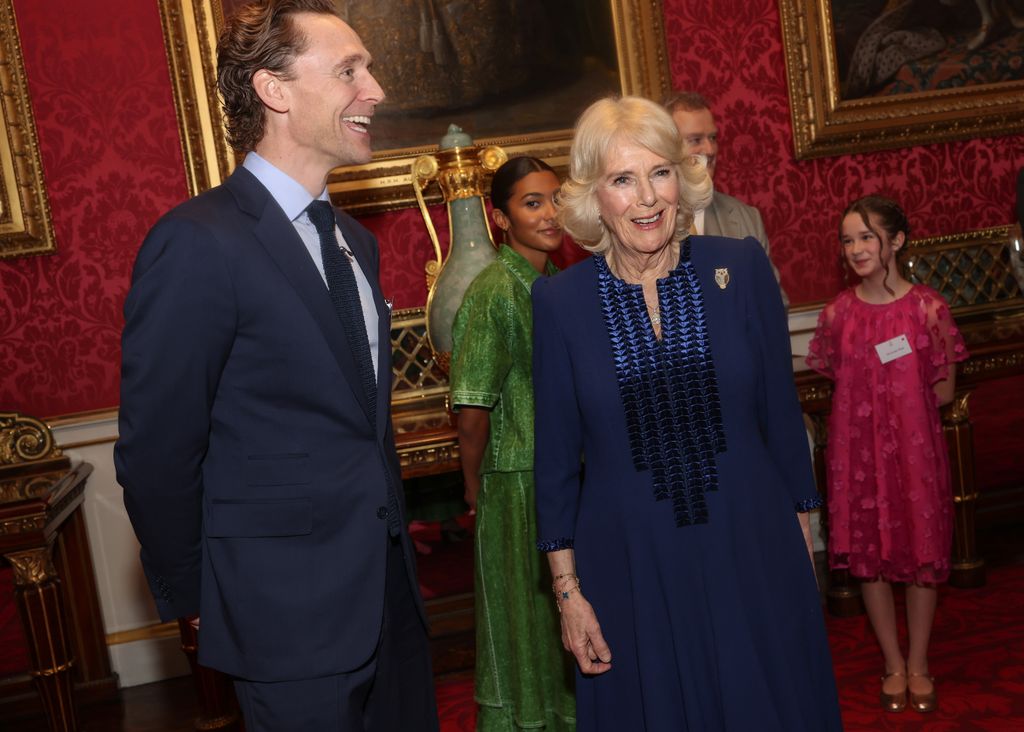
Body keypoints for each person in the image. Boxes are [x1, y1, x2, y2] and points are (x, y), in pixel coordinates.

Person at [114, 2, 438, 729]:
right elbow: (158, 451)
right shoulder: (197, 242)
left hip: (390, 601)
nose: (376, 89)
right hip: (283, 617)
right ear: (275, 91)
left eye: (371, 68)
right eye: (350, 70)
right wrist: (200, 601)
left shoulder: (356, 239)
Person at [531, 95, 841, 731]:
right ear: (595, 195)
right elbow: (557, 460)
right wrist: (568, 594)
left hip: (751, 545)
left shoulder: (741, 268)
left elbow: (782, 418)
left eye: (660, 172)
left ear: (684, 177)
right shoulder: (560, 303)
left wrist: (806, 542)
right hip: (629, 562)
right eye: (623, 179)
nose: (647, 198)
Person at [807, 195, 967, 714]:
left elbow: (942, 391)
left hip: (915, 458)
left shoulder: (929, 308)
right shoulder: (837, 315)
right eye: (848, 239)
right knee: (870, 560)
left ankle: (919, 663)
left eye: (866, 237)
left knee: (922, 556)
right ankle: (892, 663)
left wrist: (901, 415)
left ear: (895, 241)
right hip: (859, 459)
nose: (855, 249)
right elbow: (837, 382)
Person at [449, 157, 576, 731]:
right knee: (524, 620)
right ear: (501, 219)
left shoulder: (555, 283)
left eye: (556, 199)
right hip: (515, 484)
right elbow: (472, 411)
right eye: (533, 203)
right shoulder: (493, 290)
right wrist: (475, 491)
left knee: (562, 618)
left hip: (562, 476)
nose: (551, 213)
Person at [663, 90, 788, 306]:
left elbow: (773, 304)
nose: (710, 149)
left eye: (712, 138)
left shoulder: (745, 218)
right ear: (666, 146)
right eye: (695, 140)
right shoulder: (646, 219)